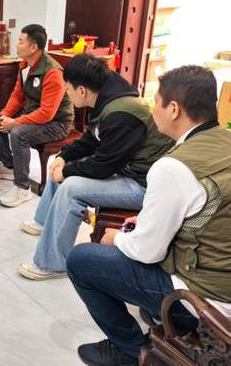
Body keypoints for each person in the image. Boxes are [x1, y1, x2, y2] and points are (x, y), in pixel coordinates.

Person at [67, 65, 231, 366]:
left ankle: (131, 351)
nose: (152, 109)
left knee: (81, 260)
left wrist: (116, 239)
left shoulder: (174, 166)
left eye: (156, 102)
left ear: (173, 109)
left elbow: (146, 251)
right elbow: (214, 212)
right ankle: (158, 316)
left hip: (217, 305)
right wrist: (146, 221)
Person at [18, 54, 173, 281]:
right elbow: (92, 138)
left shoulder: (122, 113)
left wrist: (67, 171)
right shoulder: (104, 98)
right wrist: (64, 156)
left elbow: (104, 165)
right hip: (127, 169)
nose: (66, 93)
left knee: (71, 187)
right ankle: (44, 222)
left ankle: (52, 263)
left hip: (143, 185)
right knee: (61, 166)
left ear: (82, 90)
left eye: (68, 88)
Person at [0, 24, 75, 208]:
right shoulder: (25, 65)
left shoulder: (52, 72)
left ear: (33, 47)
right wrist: (5, 116)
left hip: (58, 123)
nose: (16, 45)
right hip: (34, 113)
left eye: (20, 41)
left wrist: (15, 122)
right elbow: (18, 95)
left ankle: (22, 188)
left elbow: (46, 113)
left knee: (19, 133)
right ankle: (9, 166)